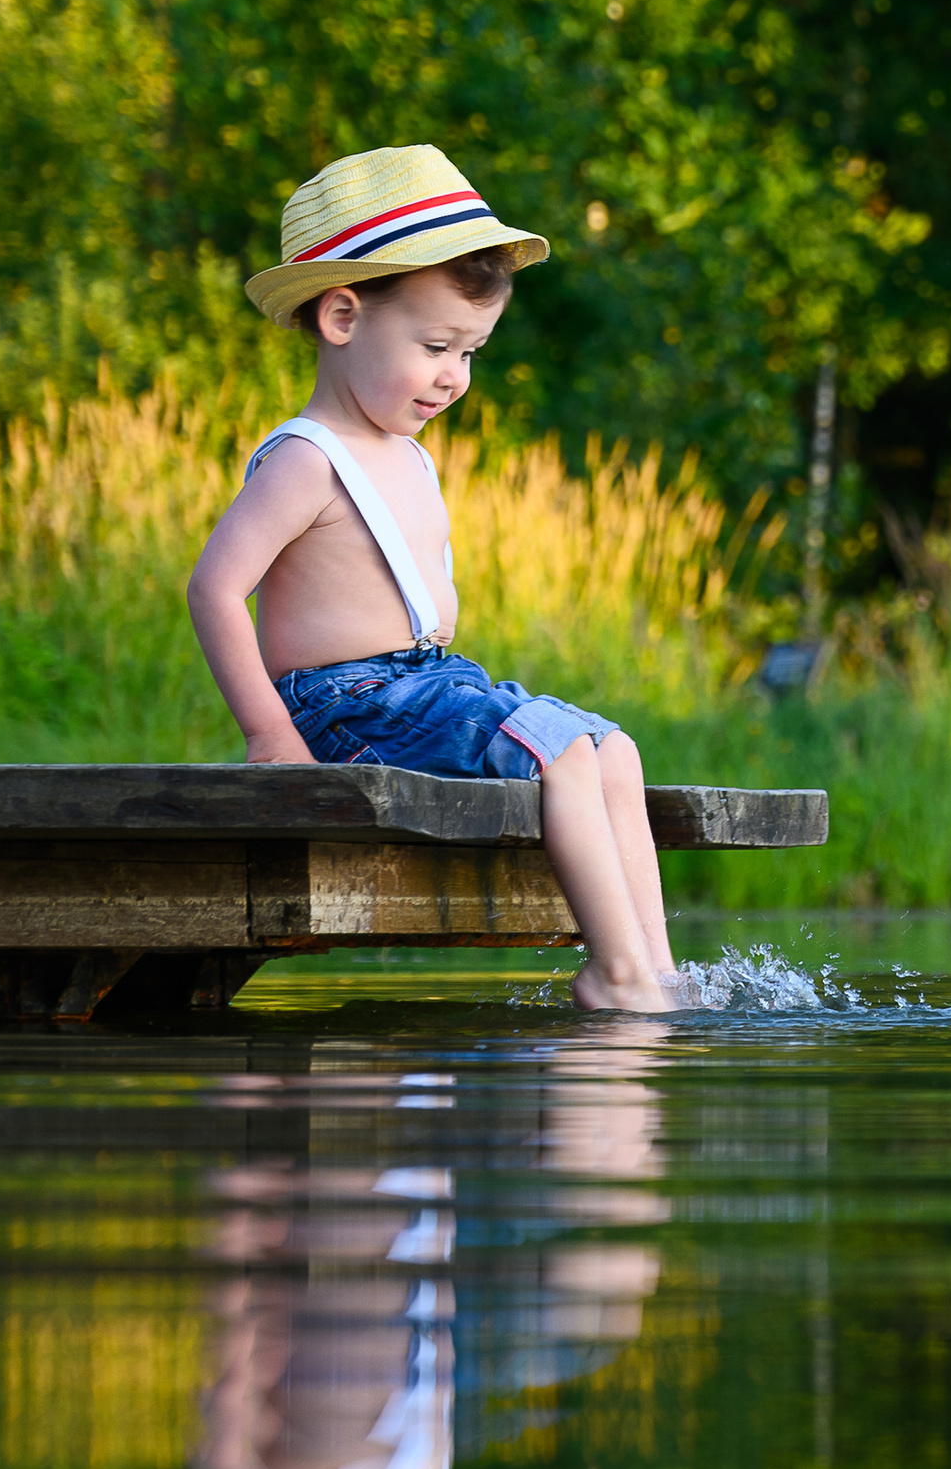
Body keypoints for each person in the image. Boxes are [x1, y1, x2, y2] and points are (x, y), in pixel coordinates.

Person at [187, 144, 683, 1011]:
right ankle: (616, 976)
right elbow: (215, 589)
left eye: (472, 353)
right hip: (349, 705)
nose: (454, 376)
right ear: (342, 318)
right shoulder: (309, 459)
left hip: (427, 686)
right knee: (562, 750)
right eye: (437, 346)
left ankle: (657, 968)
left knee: (614, 748)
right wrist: (269, 734)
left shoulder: (407, 457)